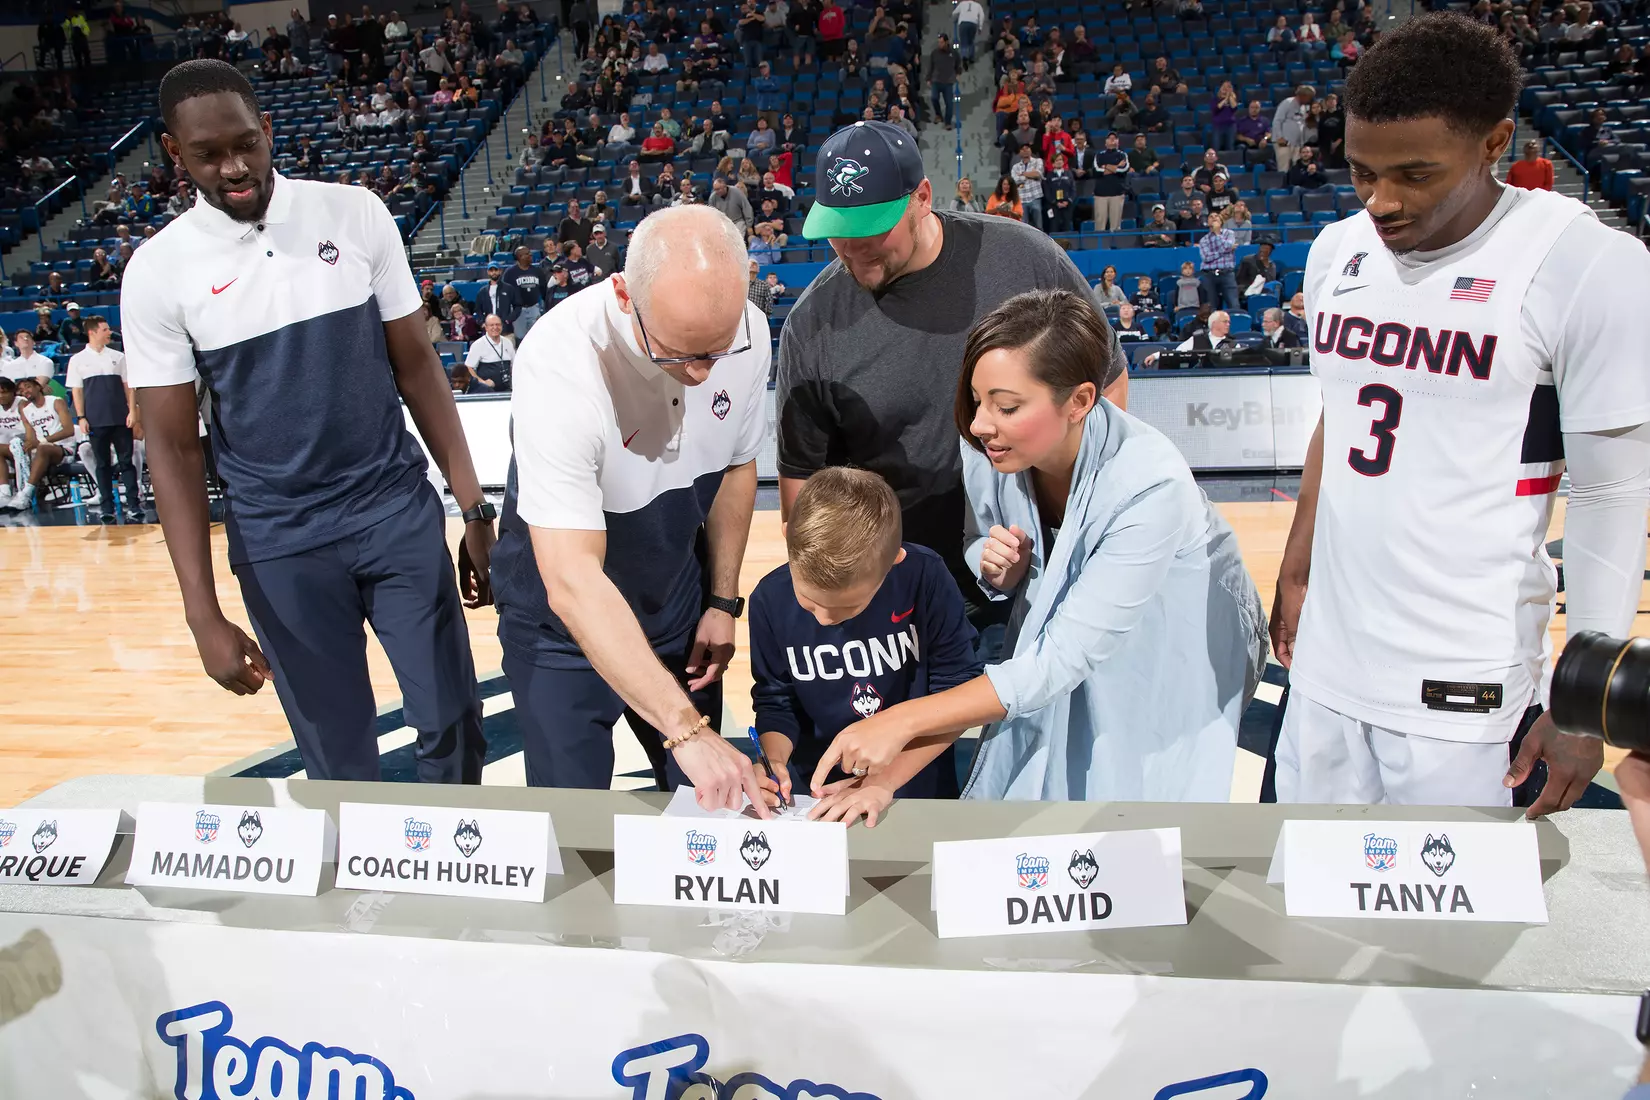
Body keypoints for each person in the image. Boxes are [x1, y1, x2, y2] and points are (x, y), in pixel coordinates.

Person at [1270, 15, 1650, 813]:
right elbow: (1337, 418)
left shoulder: (1585, 264)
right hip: (1330, 667)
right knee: (1312, 915)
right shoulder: (1338, 248)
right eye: (1362, 171)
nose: (1382, 200)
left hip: (1464, 682)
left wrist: (1581, 698)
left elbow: (1613, 492)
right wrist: (1297, 562)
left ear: (1494, 143)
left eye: (1415, 174)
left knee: (1447, 935)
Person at [122, 61, 492, 785]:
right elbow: (170, 446)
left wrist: (473, 506)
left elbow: (418, 366)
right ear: (175, 154)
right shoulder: (158, 271)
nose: (233, 167)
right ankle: (366, 897)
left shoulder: (354, 214)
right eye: (207, 154)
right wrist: (203, 613)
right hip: (278, 540)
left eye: (245, 144)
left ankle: (455, 882)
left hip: (392, 510)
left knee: (452, 719)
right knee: (338, 757)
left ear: (267, 130)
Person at [808, 290, 1265, 803]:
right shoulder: (989, 440)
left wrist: (901, 721)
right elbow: (978, 537)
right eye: (978, 400)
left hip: (1172, 641)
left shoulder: (1151, 485)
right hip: (1068, 649)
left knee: (1137, 790)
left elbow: (1060, 659)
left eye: (1006, 406)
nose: (980, 423)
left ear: (1080, 400)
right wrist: (993, 565)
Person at [777, 121, 1126, 656]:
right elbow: (803, 485)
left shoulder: (1024, 259)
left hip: (1037, 570)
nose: (852, 249)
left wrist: (1063, 511)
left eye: (872, 229)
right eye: (838, 231)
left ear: (921, 198)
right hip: (896, 591)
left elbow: (1105, 382)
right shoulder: (813, 323)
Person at [490, 206, 771, 811]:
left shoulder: (748, 329)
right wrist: (688, 729)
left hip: (675, 608)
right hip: (559, 628)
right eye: (680, 354)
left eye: (719, 352)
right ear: (622, 294)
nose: (702, 374)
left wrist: (722, 600)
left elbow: (736, 466)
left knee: (708, 818)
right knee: (574, 826)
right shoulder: (560, 363)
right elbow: (572, 580)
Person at [751, 468, 980, 818]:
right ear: (787, 538)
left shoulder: (926, 577)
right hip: (812, 796)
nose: (825, 618)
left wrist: (883, 782)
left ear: (894, 561)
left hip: (914, 787)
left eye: (847, 607)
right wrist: (773, 761)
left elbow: (958, 697)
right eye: (809, 602)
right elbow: (776, 702)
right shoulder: (768, 598)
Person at [65, 315, 143, 523]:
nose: (110, 332)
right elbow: (77, 392)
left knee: (127, 462)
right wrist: (81, 417)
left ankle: (134, 504)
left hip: (120, 417)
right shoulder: (78, 360)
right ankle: (107, 506)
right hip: (95, 420)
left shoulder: (118, 357)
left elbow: (129, 387)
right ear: (92, 332)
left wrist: (132, 411)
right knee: (102, 464)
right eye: (105, 329)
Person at [4, 377, 74, 511]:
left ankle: (25, 494)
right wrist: (23, 446)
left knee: (42, 448)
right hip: (42, 450)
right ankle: (6, 492)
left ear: (38, 387)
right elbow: (31, 438)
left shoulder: (55, 402)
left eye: (28, 387)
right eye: (21, 390)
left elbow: (69, 430)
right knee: (15, 448)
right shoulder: (26, 410)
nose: (25, 391)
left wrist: (42, 442)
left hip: (64, 448)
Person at [1197, 212, 1240, 311]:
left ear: (1221, 221)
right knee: (1210, 307)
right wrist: (1225, 250)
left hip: (1227, 273)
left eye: (1216, 216)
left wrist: (1217, 234)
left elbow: (1228, 246)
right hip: (1209, 275)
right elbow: (1206, 257)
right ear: (1208, 222)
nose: (1213, 218)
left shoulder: (1229, 233)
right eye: (1210, 217)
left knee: (1234, 305)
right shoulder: (1203, 240)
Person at [464, 313, 514, 392]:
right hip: (486, 392)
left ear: (502, 326)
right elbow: (469, 368)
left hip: (507, 389)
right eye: (492, 325)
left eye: (498, 325)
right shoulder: (478, 345)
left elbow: (513, 365)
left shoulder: (508, 343)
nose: (495, 327)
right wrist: (483, 382)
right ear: (486, 327)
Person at [1092, 131, 1130, 234]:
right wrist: (1116, 167)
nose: (1112, 139)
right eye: (1110, 138)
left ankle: (1115, 247)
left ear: (1118, 141)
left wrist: (1106, 166)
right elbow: (1096, 171)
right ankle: (1099, 248)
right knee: (1100, 225)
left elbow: (1124, 170)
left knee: (1116, 226)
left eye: (1115, 138)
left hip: (1117, 194)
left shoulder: (1123, 155)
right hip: (1100, 194)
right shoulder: (1099, 155)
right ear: (1105, 142)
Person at [502, 246, 545, 335]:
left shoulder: (537, 271)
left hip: (534, 308)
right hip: (518, 310)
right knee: (520, 337)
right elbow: (505, 292)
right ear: (520, 257)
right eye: (527, 254)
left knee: (536, 336)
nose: (530, 255)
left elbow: (543, 289)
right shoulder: (510, 273)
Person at [1272, 84, 1315, 172]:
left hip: (1297, 144)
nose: (1309, 100)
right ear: (1303, 95)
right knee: (1284, 168)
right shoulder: (1287, 102)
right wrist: (1279, 137)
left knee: (1297, 170)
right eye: (1309, 97)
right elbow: (1277, 120)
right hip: (1284, 143)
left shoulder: (1303, 107)